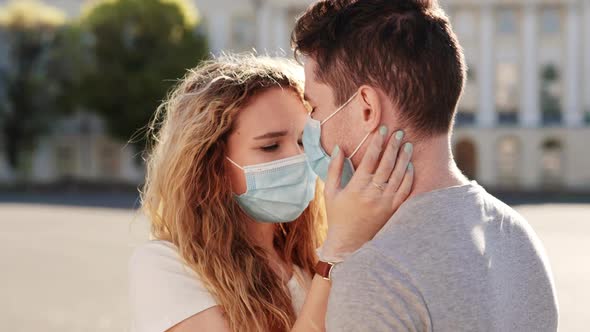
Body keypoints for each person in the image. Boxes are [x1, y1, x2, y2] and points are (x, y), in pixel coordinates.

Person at [292, 0, 559, 331]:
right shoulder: (518, 237)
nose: (308, 131)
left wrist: (336, 253)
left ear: (366, 109)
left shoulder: (373, 275)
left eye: (314, 107)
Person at [129, 54, 414, 332]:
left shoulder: (306, 259)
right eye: (270, 146)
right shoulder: (166, 266)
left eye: (304, 141)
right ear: (211, 164)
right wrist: (338, 253)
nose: (298, 157)